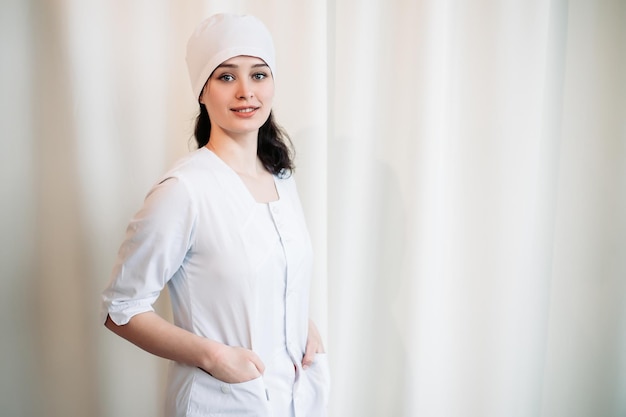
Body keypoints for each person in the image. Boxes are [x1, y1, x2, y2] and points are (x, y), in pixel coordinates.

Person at [101, 13, 329, 417]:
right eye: (226, 77)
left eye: (259, 75)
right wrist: (213, 356)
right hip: (221, 403)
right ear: (202, 92)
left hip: (295, 397)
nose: (246, 92)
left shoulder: (282, 176)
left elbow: (269, 271)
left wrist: (297, 322)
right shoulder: (184, 190)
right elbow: (122, 310)